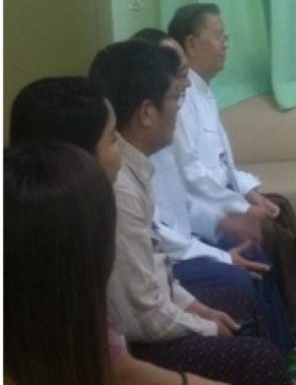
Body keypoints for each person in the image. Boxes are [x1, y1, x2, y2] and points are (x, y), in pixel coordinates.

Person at [89, 41, 293, 384]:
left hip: (163, 294)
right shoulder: (119, 186)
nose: (180, 108)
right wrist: (205, 324)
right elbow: (144, 312)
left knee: (245, 295)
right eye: (176, 97)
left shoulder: (139, 164)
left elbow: (158, 262)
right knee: (257, 349)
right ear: (146, 112)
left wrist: (198, 309)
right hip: (143, 338)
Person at [8, 78, 230, 385]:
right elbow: (131, 344)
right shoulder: (84, 215)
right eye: (113, 138)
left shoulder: (55, 216)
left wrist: (199, 311)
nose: (124, 149)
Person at [132, 28, 296, 355]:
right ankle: (272, 345)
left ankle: (282, 337)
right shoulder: (143, 151)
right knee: (244, 266)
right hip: (176, 255)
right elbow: (163, 228)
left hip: (187, 236)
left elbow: (188, 194)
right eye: (176, 73)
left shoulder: (170, 124)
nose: (184, 84)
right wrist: (229, 227)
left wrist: (225, 217)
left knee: (257, 238)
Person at [166, 3, 296, 335]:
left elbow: (223, 162)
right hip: (203, 207)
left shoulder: (202, 91)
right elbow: (192, 175)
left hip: (219, 197)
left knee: (280, 206)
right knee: (266, 229)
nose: (225, 45)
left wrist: (250, 193)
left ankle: (290, 311)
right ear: (191, 44)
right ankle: (283, 324)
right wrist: (241, 207)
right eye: (219, 37)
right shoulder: (181, 101)